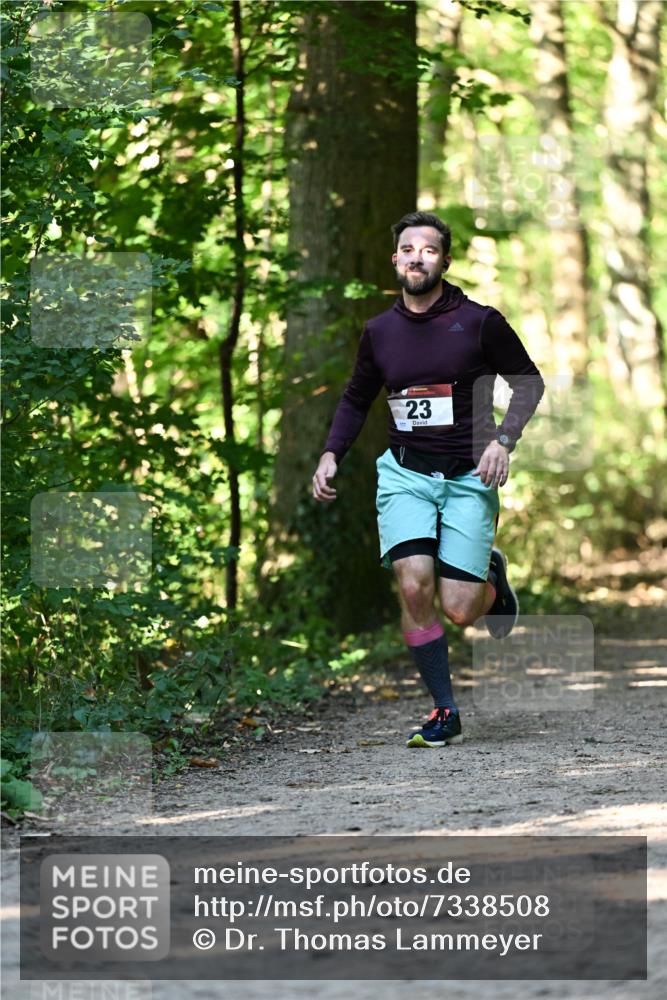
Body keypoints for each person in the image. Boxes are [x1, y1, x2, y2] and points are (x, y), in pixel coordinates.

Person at [312, 212, 545, 749]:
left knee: (461, 609)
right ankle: (445, 710)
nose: (417, 257)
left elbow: (528, 383)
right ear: (395, 258)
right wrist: (331, 454)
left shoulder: (480, 322)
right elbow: (355, 398)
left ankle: (490, 578)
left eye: (430, 249)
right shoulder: (379, 332)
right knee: (413, 584)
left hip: (468, 474)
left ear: (445, 260)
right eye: (408, 248)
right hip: (405, 474)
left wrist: (502, 440)